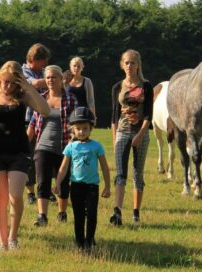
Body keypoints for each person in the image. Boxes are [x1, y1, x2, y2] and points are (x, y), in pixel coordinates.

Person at [0, 61, 50, 251]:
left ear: (18, 83)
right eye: (5, 81)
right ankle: (3, 242)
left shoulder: (23, 97)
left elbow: (45, 110)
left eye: (12, 83)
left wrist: (28, 87)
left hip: (19, 152)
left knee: (15, 195)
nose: (7, 86)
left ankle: (13, 238)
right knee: (0, 199)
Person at [54, 107, 111, 251]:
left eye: (85, 128)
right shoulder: (71, 147)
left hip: (92, 187)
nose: (81, 131)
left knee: (91, 215)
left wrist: (107, 186)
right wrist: (58, 183)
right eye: (78, 128)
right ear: (73, 129)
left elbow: (104, 167)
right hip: (76, 187)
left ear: (91, 128)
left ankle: (89, 241)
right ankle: (79, 242)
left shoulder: (97, 146)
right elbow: (63, 168)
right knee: (78, 216)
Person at [27, 65, 76, 226]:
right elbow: (33, 124)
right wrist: (25, 143)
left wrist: (73, 141)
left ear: (61, 79)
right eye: (47, 77)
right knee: (43, 180)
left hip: (64, 146)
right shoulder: (41, 98)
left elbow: (76, 123)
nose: (50, 80)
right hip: (43, 146)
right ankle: (42, 216)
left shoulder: (70, 99)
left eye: (53, 77)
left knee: (62, 182)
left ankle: (62, 212)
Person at [109, 49, 153, 226]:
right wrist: (114, 139)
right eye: (126, 62)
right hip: (122, 131)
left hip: (140, 131)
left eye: (133, 62)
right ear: (122, 65)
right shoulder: (117, 87)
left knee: (137, 173)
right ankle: (117, 211)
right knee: (120, 174)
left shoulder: (146, 86)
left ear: (138, 65)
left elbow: (148, 115)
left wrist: (141, 134)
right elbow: (114, 116)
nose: (129, 65)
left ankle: (135, 212)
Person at [22, 43, 52, 205]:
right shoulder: (23, 71)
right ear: (33, 59)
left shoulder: (42, 71)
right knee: (29, 155)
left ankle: (44, 190)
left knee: (44, 156)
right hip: (28, 120)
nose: (45, 65)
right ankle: (30, 192)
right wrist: (53, 79)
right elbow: (33, 84)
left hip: (45, 119)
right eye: (43, 61)